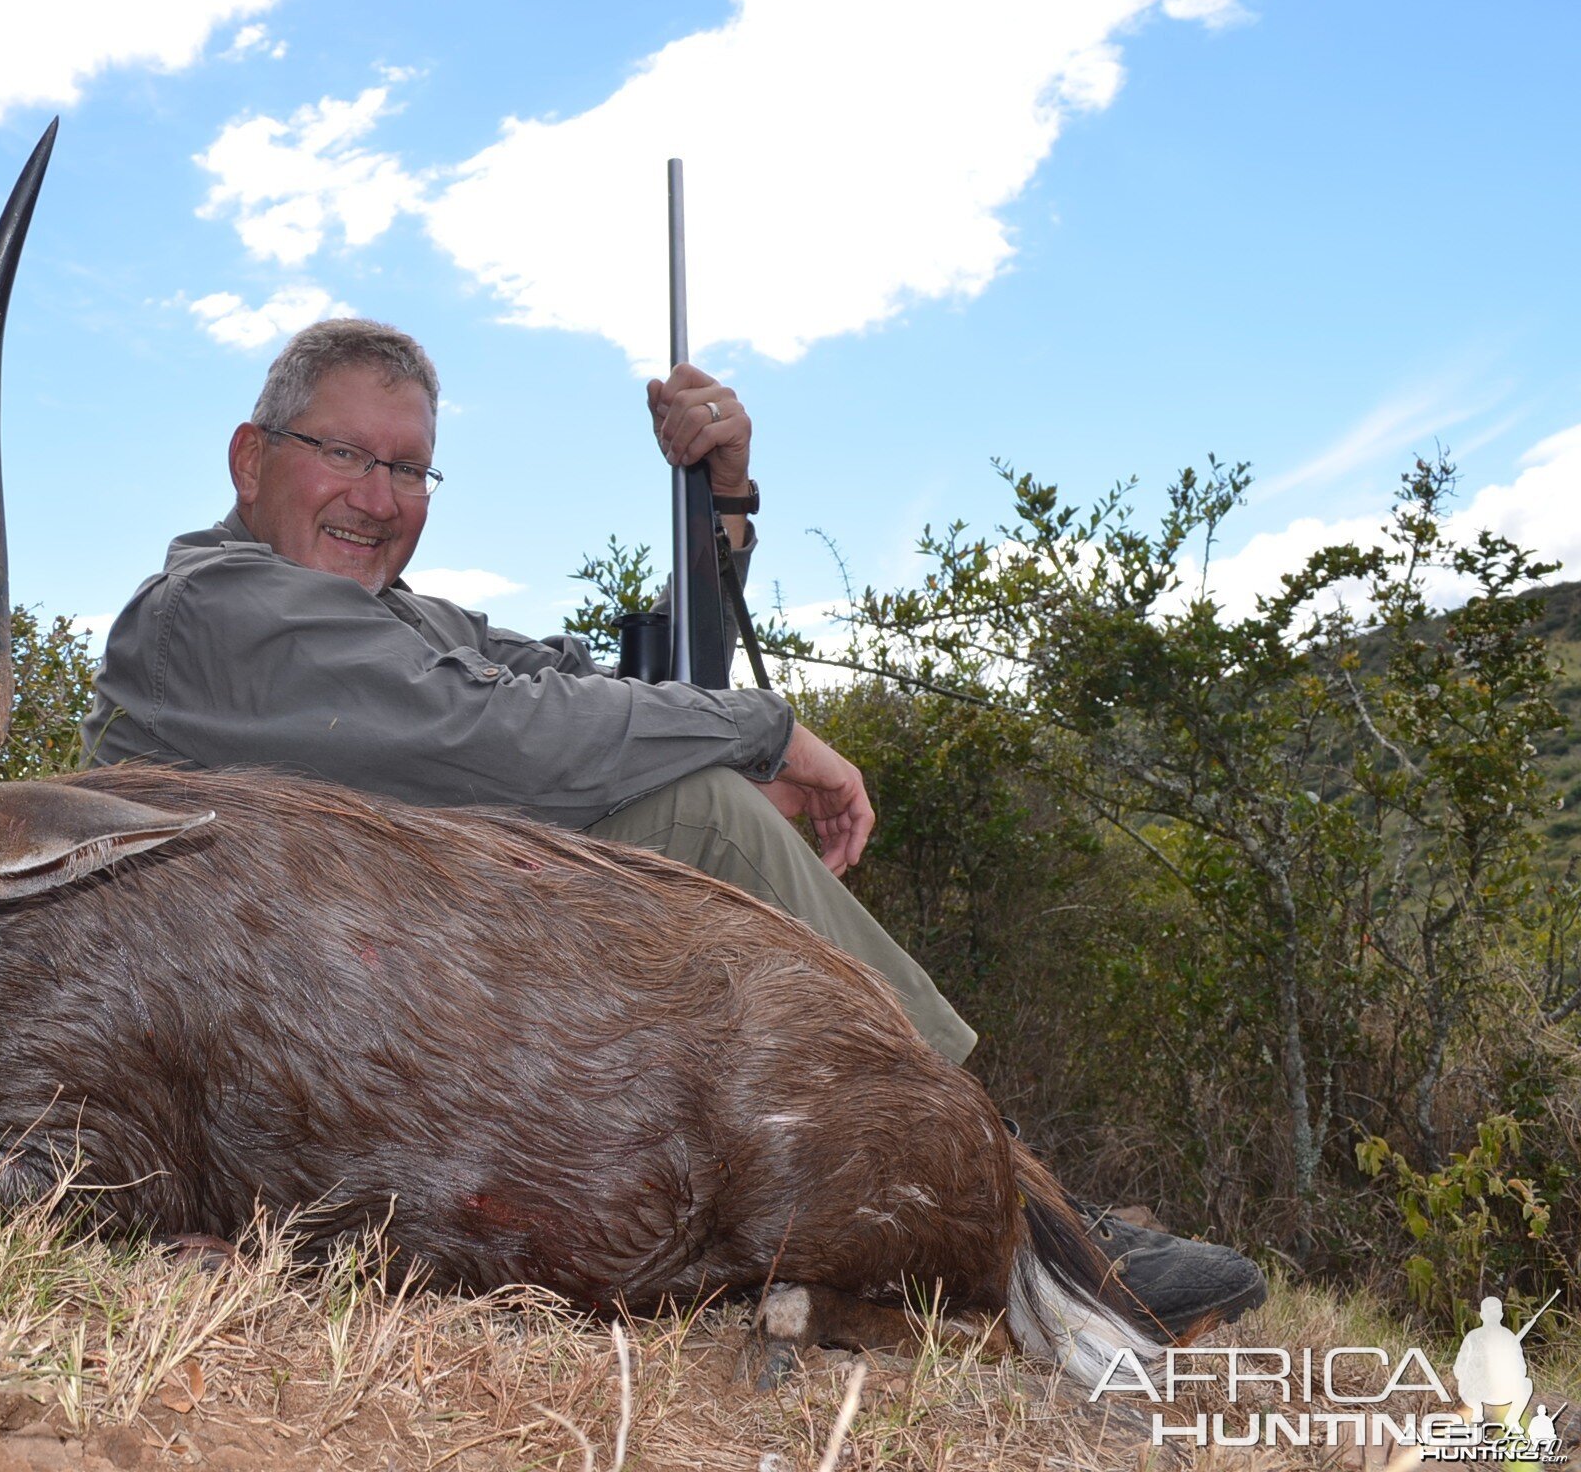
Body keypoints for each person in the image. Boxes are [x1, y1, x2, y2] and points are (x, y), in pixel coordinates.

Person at [81, 316, 1265, 1338]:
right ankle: (1002, 1193)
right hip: (255, 1037)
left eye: (411, 472)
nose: (380, 500)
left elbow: (585, 685)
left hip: (388, 1000)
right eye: (344, 455)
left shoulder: (405, 614)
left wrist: (722, 502)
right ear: (251, 459)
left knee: (685, 790)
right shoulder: (208, 611)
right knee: (695, 809)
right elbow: (493, 736)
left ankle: (948, 1180)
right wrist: (765, 734)